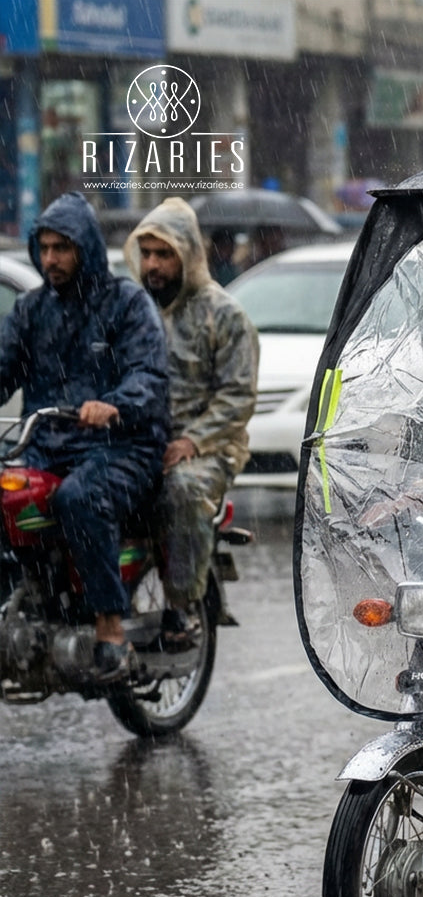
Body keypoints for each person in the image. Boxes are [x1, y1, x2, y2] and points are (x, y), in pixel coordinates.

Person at [0, 191, 170, 681]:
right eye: (45, 248)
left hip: (122, 446)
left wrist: (115, 403)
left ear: (85, 249)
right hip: (46, 444)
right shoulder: (32, 309)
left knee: (79, 498)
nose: (51, 258)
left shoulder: (127, 303)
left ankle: (109, 626)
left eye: (62, 248)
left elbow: (150, 376)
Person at [124, 198, 258, 650]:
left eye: (164, 254)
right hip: (144, 441)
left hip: (210, 448)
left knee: (181, 490)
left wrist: (192, 441)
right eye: (147, 254)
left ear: (187, 255)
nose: (153, 265)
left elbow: (237, 397)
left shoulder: (225, 315)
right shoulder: (134, 312)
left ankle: (180, 609)